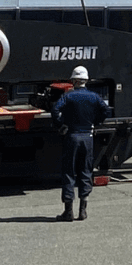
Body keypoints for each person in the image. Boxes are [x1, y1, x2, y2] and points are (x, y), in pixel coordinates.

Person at [52, 65, 109, 222]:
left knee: (69, 172)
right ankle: (83, 210)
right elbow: (105, 110)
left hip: (72, 135)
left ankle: (68, 211)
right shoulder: (94, 96)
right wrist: (95, 122)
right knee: (85, 171)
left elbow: (55, 109)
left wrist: (61, 125)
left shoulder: (68, 96)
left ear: (74, 81)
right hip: (87, 136)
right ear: (86, 80)